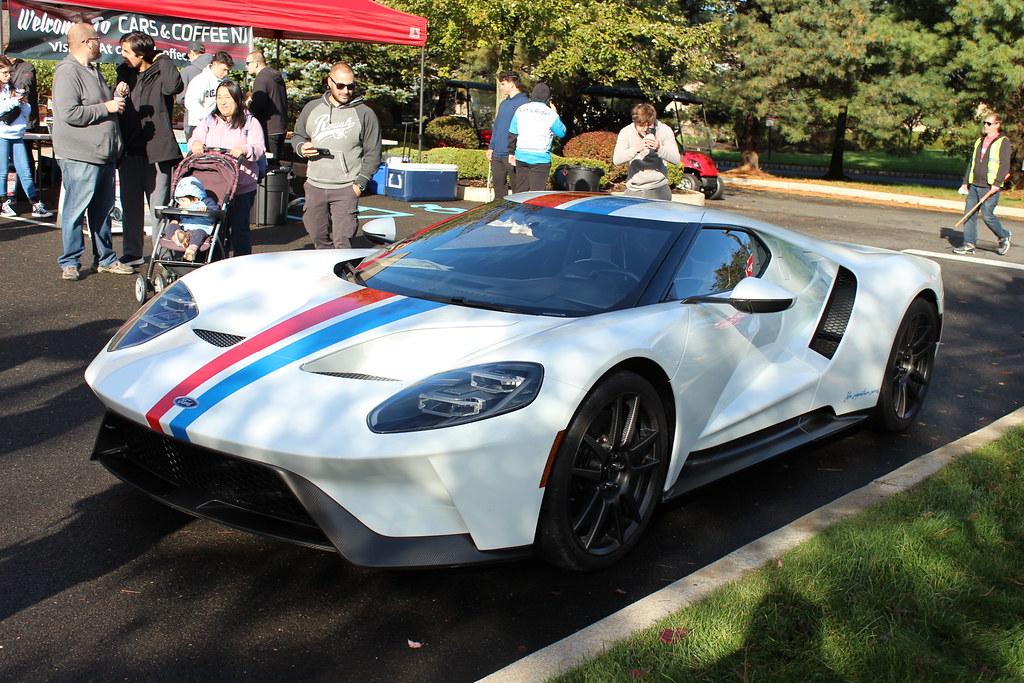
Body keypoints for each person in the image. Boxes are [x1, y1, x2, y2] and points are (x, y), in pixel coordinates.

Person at [51, 22, 132, 281]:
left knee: (102, 211)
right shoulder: (67, 71)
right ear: (87, 42)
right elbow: (69, 113)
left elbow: (97, 105)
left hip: (103, 154)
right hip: (79, 155)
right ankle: (70, 262)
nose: (101, 44)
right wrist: (106, 107)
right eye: (98, 39)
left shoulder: (92, 70)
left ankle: (105, 259)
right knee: (76, 210)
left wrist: (114, 94)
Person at [291, 62, 381, 250]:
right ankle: (324, 276)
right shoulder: (312, 108)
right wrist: (301, 147)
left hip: (346, 188)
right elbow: (298, 135)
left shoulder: (365, 113)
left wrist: (358, 185)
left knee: (343, 243)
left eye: (351, 86)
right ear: (329, 82)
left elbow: (373, 152)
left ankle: (344, 277)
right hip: (315, 185)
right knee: (317, 237)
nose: (346, 91)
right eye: (340, 85)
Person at [114, 31, 184, 266]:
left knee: (159, 208)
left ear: (141, 54)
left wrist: (163, 58)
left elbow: (174, 85)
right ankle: (132, 252)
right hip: (130, 150)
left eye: (126, 51)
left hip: (158, 151)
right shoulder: (124, 73)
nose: (122, 55)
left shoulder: (161, 70)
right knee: (131, 205)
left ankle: (163, 254)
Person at [187, 79, 264, 256]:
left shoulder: (250, 122)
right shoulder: (209, 120)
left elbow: (259, 148)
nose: (222, 102)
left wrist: (245, 149)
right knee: (216, 230)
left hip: (242, 186)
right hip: (216, 186)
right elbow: (195, 137)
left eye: (227, 98)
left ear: (237, 99)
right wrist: (197, 143)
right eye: (219, 97)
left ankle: (242, 263)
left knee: (239, 229)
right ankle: (215, 264)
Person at [0, 57, 52, 218]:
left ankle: (35, 202)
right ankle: (3, 202)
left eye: (10, 72)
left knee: (25, 171)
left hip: (17, 135)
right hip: (2, 135)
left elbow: (26, 112)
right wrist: (13, 101)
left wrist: (22, 102)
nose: (8, 76)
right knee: (2, 171)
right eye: (4, 73)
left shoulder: (14, 88)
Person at [953, 113, 1012, 255]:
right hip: (975, 185)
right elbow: (972, 162)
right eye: (985, 123)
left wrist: (997, 183)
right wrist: (966, 182)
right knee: (969, 215)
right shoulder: (980, 141)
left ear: (998, 124)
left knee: (987, 215)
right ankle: (969, 244)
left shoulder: (1003, 141)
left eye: (989, 123)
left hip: (990, 187)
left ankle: (1004, 236)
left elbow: (1005, 165)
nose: (985, 125)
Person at [612, 103, 681, 201]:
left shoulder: (664, 130)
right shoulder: (626, 132)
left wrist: (659, 148)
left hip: (659, 189)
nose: (645, 129)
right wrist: (635, 149)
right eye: (641, 125)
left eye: (649, 125)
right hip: (634, 189)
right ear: (635, 122)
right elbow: (617, 160)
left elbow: (676, 159)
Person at [508, 83, 565, 192]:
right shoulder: (550, 114)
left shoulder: (521, 109)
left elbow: (512, 133)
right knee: (537, 193)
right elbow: (561, 132)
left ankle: (519, 209)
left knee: (521, 191)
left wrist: (511, 152)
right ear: (547, 98)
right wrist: (556, 113)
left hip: (521, 155)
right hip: (540, 158)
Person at [486, 71, 528, 198]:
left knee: (517, 189)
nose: (501, 87)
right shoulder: (504, 103)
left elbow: (524, 129)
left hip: (512, 154)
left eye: (503, 84)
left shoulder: (524, 103)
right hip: (497, 153)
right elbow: (497, 125)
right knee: (499, 190)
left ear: (512, 84)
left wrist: (515, 151)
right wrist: (491, 147)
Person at [245, 51, 288, 166]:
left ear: (256, 63)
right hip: (280, 127)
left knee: (269, 166)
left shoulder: (261, 78)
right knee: (275, 163)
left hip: (269, 128)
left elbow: (259, 105)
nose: (246, 66)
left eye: (248, 63)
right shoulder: (275, 76)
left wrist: (249, 104)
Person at [164, 175, 218, 261]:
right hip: (184, 229)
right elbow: (177, 215)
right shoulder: (182, 206)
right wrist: (174, 220)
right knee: (169, 228)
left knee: (199, 233)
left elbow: (215, 211)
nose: (181, 204)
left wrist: (207, 210)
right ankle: (177, 239)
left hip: (200, 227)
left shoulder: (206, 202)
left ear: (195, 198)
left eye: (183, 201)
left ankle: (192, 249)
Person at [183, 51, 232, 140]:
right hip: (199, 125)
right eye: (224, 70)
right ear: (215, 64)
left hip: (219, 126)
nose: (226, 73)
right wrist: (209, 118)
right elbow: (191, 103)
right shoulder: (200, 80)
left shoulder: (226, 80)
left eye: (228, 70)